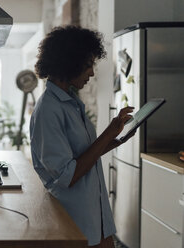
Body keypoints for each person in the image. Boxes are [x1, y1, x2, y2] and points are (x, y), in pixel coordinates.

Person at [30, 25, 135, 248]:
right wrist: (108, 133)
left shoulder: (71, 102)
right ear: (70, 62)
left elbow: (82, 154)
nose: (92, 73)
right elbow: (69, 175)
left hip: (95, 214)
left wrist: (114, 140)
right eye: (88, 66)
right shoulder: (48, 109)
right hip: (74, 219)